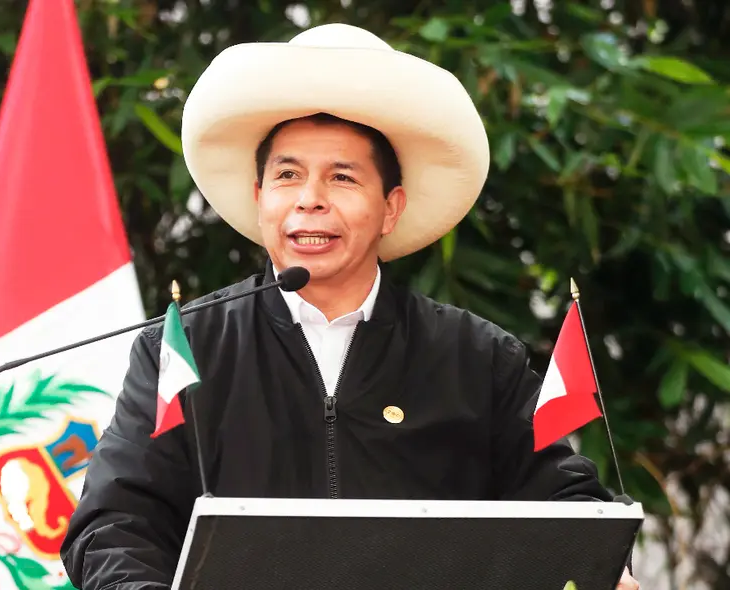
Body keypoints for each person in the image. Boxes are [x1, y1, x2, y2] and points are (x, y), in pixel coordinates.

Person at [61, 23, 640, 590]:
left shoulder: (478, 357)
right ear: (260, 196)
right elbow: (113, 526)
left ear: (391, 208)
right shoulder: (185, 350)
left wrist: (604, 569)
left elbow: (569, 510)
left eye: (342, 178)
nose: (310, 201)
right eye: (288, 175)